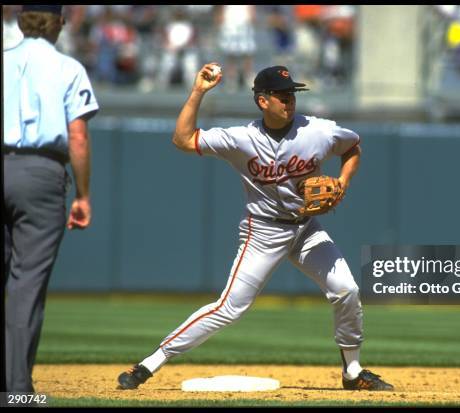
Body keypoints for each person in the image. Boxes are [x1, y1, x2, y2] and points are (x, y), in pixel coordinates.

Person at [117, 63, 393, 392]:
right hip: (262, 231)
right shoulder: (241, 138)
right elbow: (183, 139)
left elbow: (352, 148)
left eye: (292, 94)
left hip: (307, 228)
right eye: (281, 95)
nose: (290, 100)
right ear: (263, 101)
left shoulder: (319, 130)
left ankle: (352, 372)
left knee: (346, 289)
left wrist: (343, 182)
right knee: (229, 307)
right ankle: (150, 363)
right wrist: (198, 93)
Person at [3, 5, 99, 393]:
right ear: (59, 23)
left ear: (22, 21)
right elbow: (77, 136)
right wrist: (84, 195)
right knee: (26, 284)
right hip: (39, 173)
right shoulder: (68, 67)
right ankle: (18, 393)